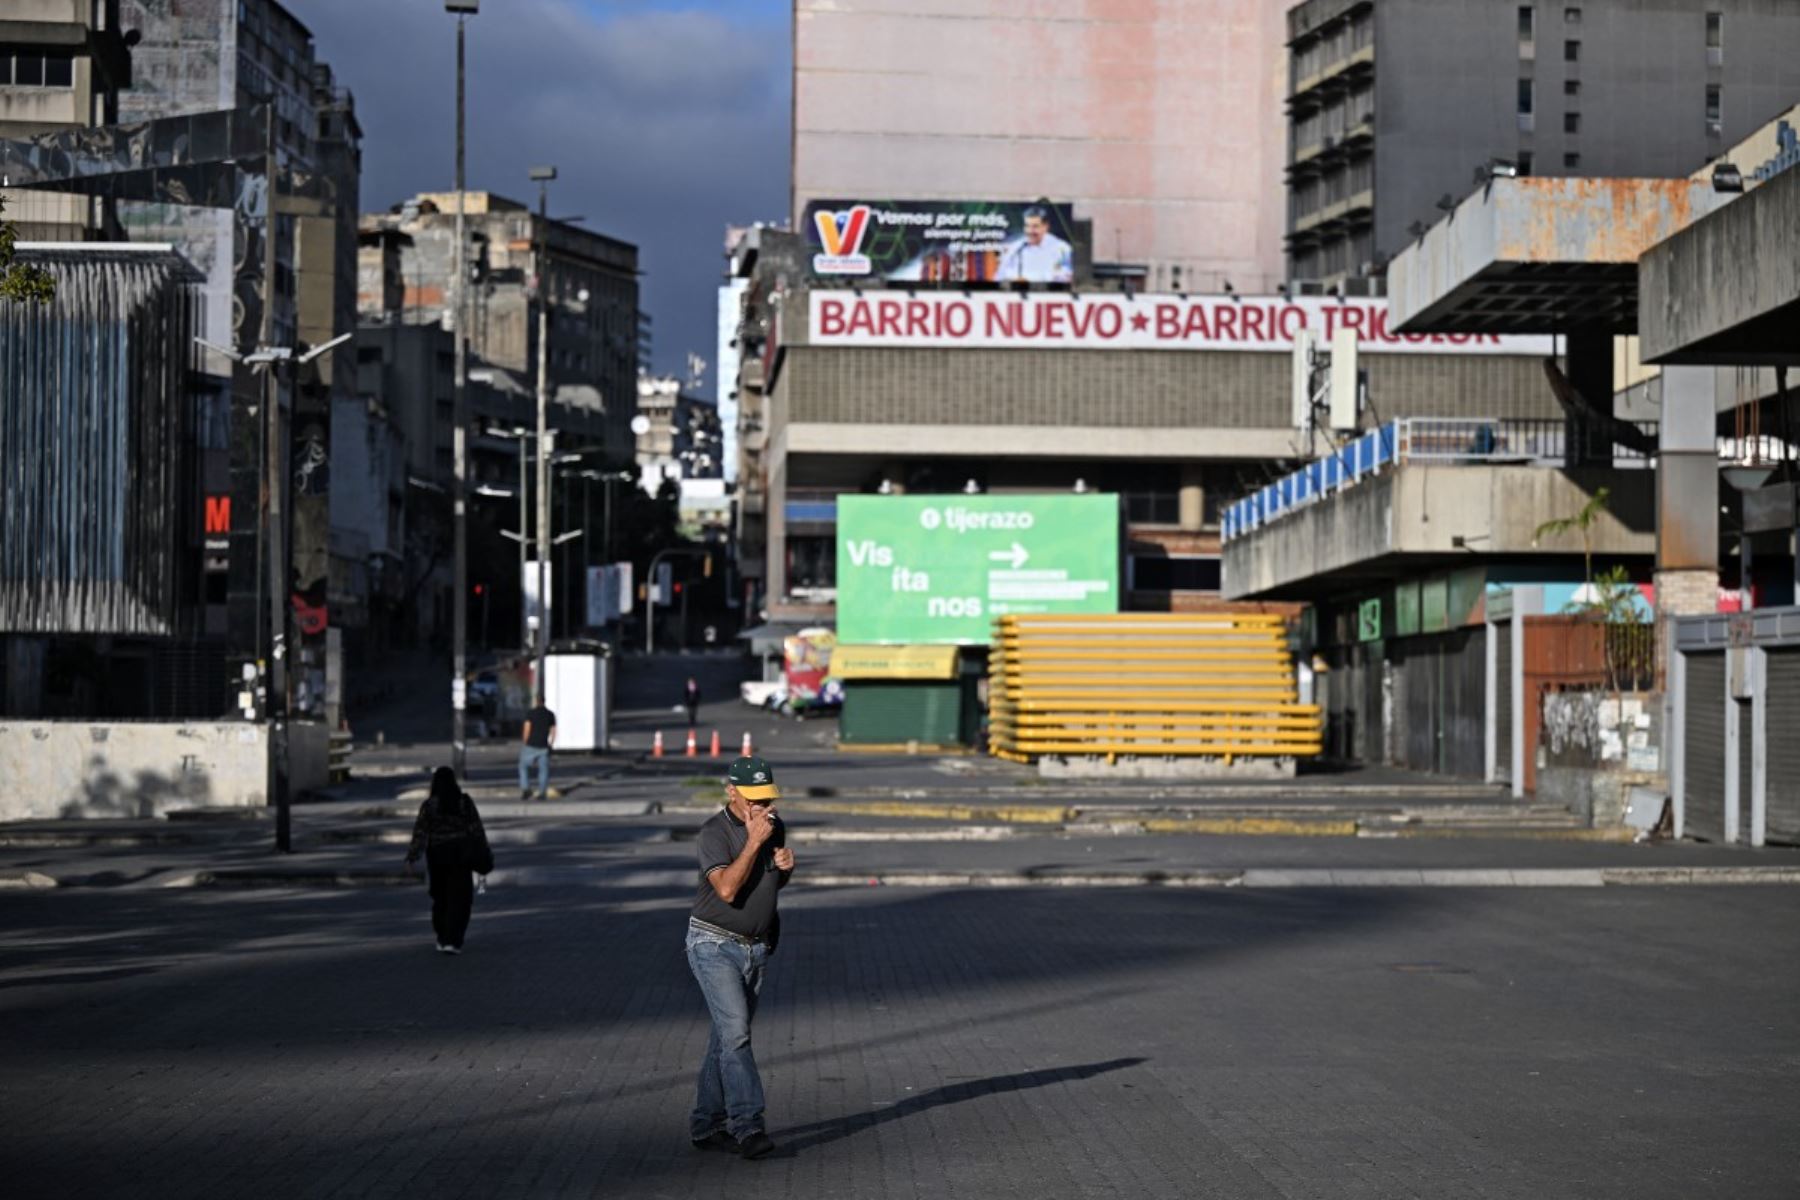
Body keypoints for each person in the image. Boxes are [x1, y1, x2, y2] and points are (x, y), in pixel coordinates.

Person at [686, 756, 795, 1160]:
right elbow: (729, 890)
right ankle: (748, 1125)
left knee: (725, 1038)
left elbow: (766, 882)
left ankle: (705, 1125)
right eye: (754, 800)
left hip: (755, 947)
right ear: (731, 792)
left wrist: (784, 869)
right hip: (712, 943)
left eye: (767, 799)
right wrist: (752, 841)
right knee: (736, 1035)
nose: (763, 809)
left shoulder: (773, 825)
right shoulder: (713, 833)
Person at [403, 767, 493, 955]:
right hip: (461, 855)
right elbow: (476, 829)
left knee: (440, 897)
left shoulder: (429, 805)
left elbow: (420, 833)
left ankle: (442, 936)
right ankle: (453, 940)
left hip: (437, 856)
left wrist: (412, 857)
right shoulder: (464, 802)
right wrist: (484, 852)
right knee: (461, 898)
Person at [995, 205, 1074, 284]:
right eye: (1027, 226)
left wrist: (1029, 280)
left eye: (1035, 226)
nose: (1030, 231)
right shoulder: (1016, 248)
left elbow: (1069, 278)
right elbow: (999, 277)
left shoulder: (1062, 249)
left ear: (1046, 226)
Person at [519, 698, 556, 801]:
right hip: (544, 746)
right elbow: (553, 731)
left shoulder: (531, 713)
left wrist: (525, 741)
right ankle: (542, 792)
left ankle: (526, 789)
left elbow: (527, 728)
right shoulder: (550, 714)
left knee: (523, 766)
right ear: (544, 701)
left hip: (531, 744)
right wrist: (551, 744)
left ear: (536, 702)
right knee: (543, 770)